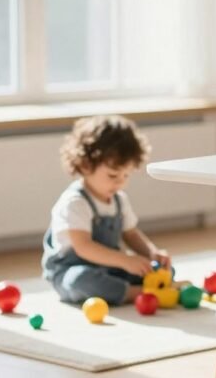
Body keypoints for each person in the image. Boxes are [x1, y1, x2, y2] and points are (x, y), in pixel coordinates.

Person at [41, 115, 171, 305]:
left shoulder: (119, 200)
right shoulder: (75, 203)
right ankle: (136, 293)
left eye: (126, 174)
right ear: (86, 165)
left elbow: (131, 234)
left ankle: (138, 286)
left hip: (110, 267)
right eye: (113, 175)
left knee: (159, 269)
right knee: (81, 280)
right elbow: (84, 247)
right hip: (72, 271)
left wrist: (152, 254)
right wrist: (126, 261)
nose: (120, 182)